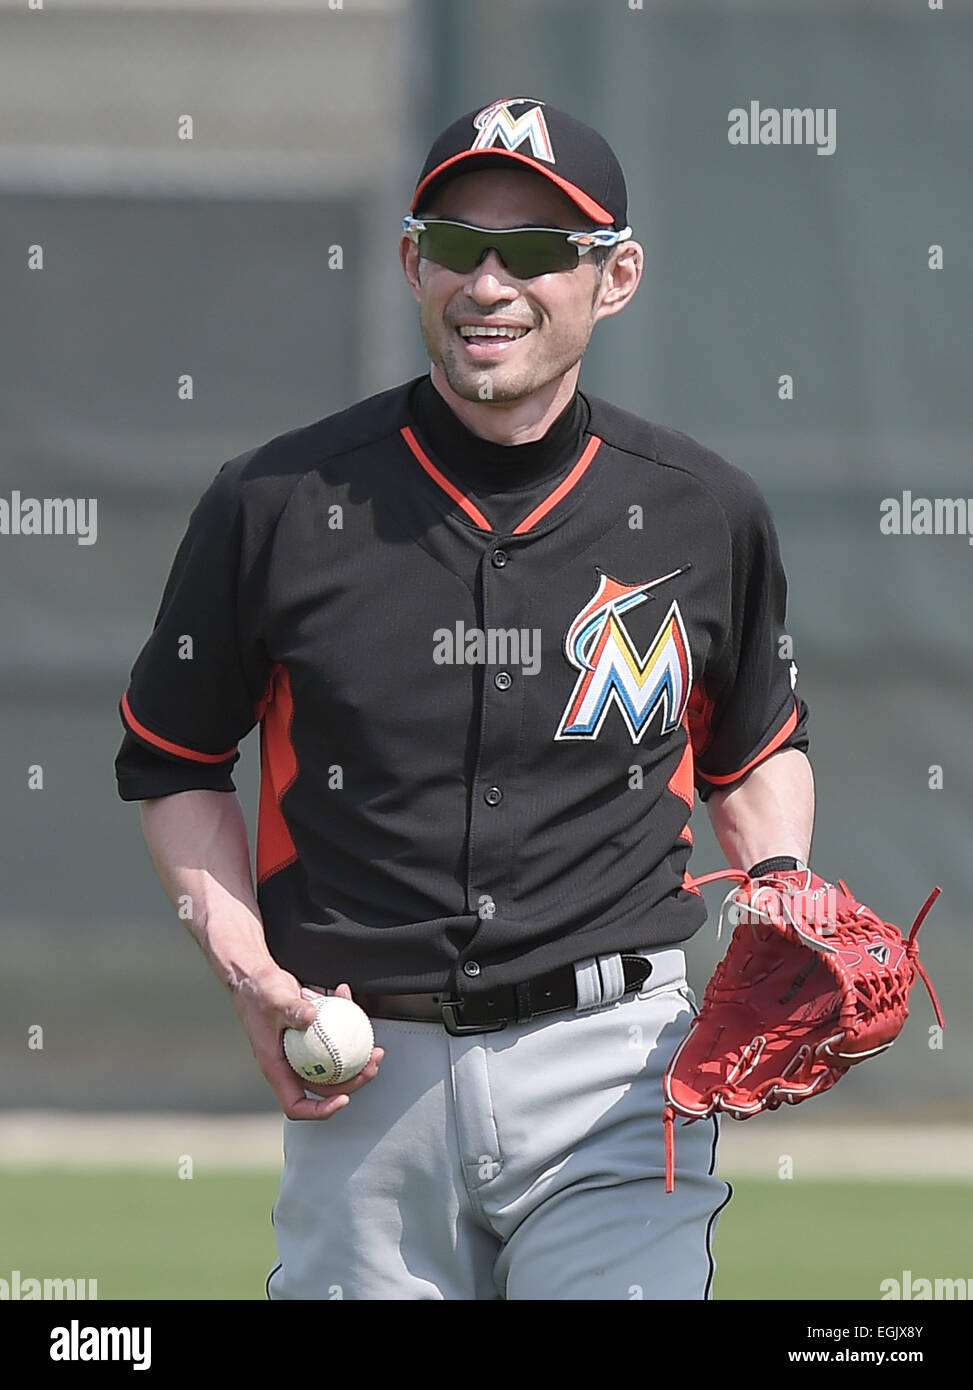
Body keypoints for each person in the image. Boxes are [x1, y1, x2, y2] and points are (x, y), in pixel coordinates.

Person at [115, 97, 813, 1301]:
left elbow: (753, 752)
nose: (490, 281)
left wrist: (782, 885)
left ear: (616, 277)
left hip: (617, 1072)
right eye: (457, 244)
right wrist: (244, 967)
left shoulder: (702, 511)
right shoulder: (278, 502)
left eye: (540, 250)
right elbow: (172, 758)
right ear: (410, 263)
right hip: (364, 1074)